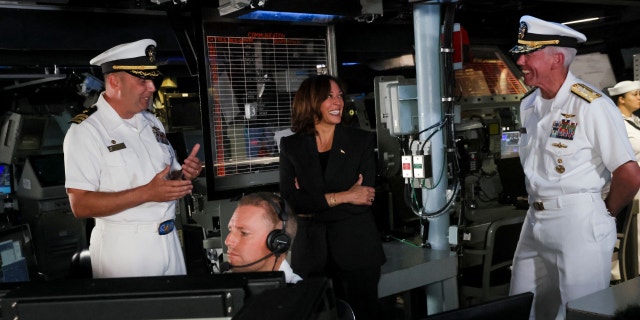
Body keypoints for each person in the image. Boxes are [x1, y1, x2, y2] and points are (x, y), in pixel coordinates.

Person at [508, 15, 640, 319]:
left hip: (579, 220)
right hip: (535, 218)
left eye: (529, 53)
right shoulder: (528, 106)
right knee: (521, 305)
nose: (521, 61)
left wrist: (602, 213)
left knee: (579, 311)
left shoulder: (591, 104)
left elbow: (629, 173)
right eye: (520, 53)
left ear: (556, 58)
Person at [63, 39, 203, 278]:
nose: (152, 87)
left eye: (151, 79)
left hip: (169, 240)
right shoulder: (86, 130)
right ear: (115, 81)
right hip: (125, 248)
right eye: (142, 80)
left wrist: (184, 174)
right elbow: (80, 205)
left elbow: (166, 179)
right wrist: (147, 193)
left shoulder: (152, 122)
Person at [279, 74, 386, 319]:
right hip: (311, 255)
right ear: (311, 101)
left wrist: (314, 201)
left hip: (357, 251)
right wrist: (345, 195)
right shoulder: (291, 146)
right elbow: (292, 202)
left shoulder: (361, 141)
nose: (338, 102)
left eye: (339, 96)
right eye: (329, 96)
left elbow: (365, 197)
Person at [223, 192, 301, 284]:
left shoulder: (303, 296)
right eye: (230, 230)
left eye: (244, 233)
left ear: (277, 243)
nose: (228, 241)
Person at [607, 80, 640, 281]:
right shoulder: (614, 124)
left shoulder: (636, 121)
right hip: (629, 187)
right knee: (632, 235)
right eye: (634, 94)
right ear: (621, 99)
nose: (639, 97)